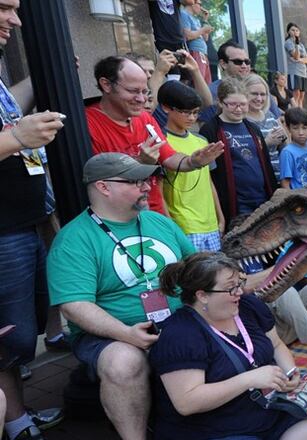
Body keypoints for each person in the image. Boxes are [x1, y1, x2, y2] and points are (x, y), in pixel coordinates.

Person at [47, 153, 196, 439]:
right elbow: (75, 306)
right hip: (112, 334)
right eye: (136, 181)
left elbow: (196, 267)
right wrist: (127, 333)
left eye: (147, 179)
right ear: (104, 187)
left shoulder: (158, 221)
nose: (147, 187)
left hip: (178, 319)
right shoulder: (74, 239)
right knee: (123, 362)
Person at [149, 252, 307, 439]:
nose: (240, 291)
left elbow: (275, 344)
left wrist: (291, 372)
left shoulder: (247, 306)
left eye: (240, 283)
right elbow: (187, 402)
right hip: (212, 429)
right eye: (231, 287)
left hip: (262, 410)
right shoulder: (180, 334)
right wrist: (248, 380)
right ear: (202, 295)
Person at [0, 3, 67, 437]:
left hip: (26, 224)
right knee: (9, 341)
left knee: (30, 327)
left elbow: (12, 115)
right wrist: (16, 137)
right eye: (4, 7)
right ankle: (16, 423)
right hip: (2, 233)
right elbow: (12, 134)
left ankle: (15, 412)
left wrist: (41, 76)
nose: (16, 19)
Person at [86, 55, 224, 216]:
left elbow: (169, 158)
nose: (142, 99)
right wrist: (140, 163)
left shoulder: (144, 118)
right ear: (106, 85)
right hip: (119, 219)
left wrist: (193, 161)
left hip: (154, 214)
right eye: (133, 91)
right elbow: (98, 181)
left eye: (145, 91)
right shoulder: (87, 123)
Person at [158, 81, 226, 250]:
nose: (192, 118)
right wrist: (169, 223)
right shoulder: (162, 141)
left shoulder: (201, 140)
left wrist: (221, 217)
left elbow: (208, 182)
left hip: (210, 223)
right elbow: (158, 188)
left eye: (195, 113)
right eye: (186, 112)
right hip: (183, 223)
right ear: (167, 108)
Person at [199, 78, 278, 221]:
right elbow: (208, 173)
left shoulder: (253, 129)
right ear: (221, 103)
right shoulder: (210, 130)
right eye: (232, 104)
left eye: (243, 104)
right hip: (233, 201)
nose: (239, 109)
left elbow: (266, 164)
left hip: (261, 198)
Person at [242, 74, 288, 180]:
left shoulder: (270, 116)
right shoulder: (241, 120)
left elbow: (284, 148)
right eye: (254, 94)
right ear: (244, 93)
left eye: (263, 94)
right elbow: (244, 154)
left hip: (278, 178)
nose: (259, 98)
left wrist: (284, 138)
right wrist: (266, 142)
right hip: (258, 179)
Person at [280, 107, 307, 189]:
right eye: (295, 128)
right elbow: (285, 182)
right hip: (299, 198)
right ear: (288, 128)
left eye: (304, 128)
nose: (301, 133)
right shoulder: (287, 152)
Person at [180, 0, 213, 85]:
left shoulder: (196, 20)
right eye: (200, 4)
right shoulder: (184, 14)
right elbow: (187, 35)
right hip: (195, 51)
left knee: (206, 83)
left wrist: (205, 20)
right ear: (193, 3)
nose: (201, 8)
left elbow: (205, 38)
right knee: (199, 82)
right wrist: (202, 30)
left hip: (203, 53)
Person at [284, 23, 307, 108]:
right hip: (294, 71)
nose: (295, 32)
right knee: (296, 94)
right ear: (288, 32)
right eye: (292, 30)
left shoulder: (301, 45)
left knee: (302, 96)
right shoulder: (288, 43)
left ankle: (301, 113)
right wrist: (296, 45)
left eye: (297, 30)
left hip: (303, 72)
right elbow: (296, 56)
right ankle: (294, 113)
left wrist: (299, 60)